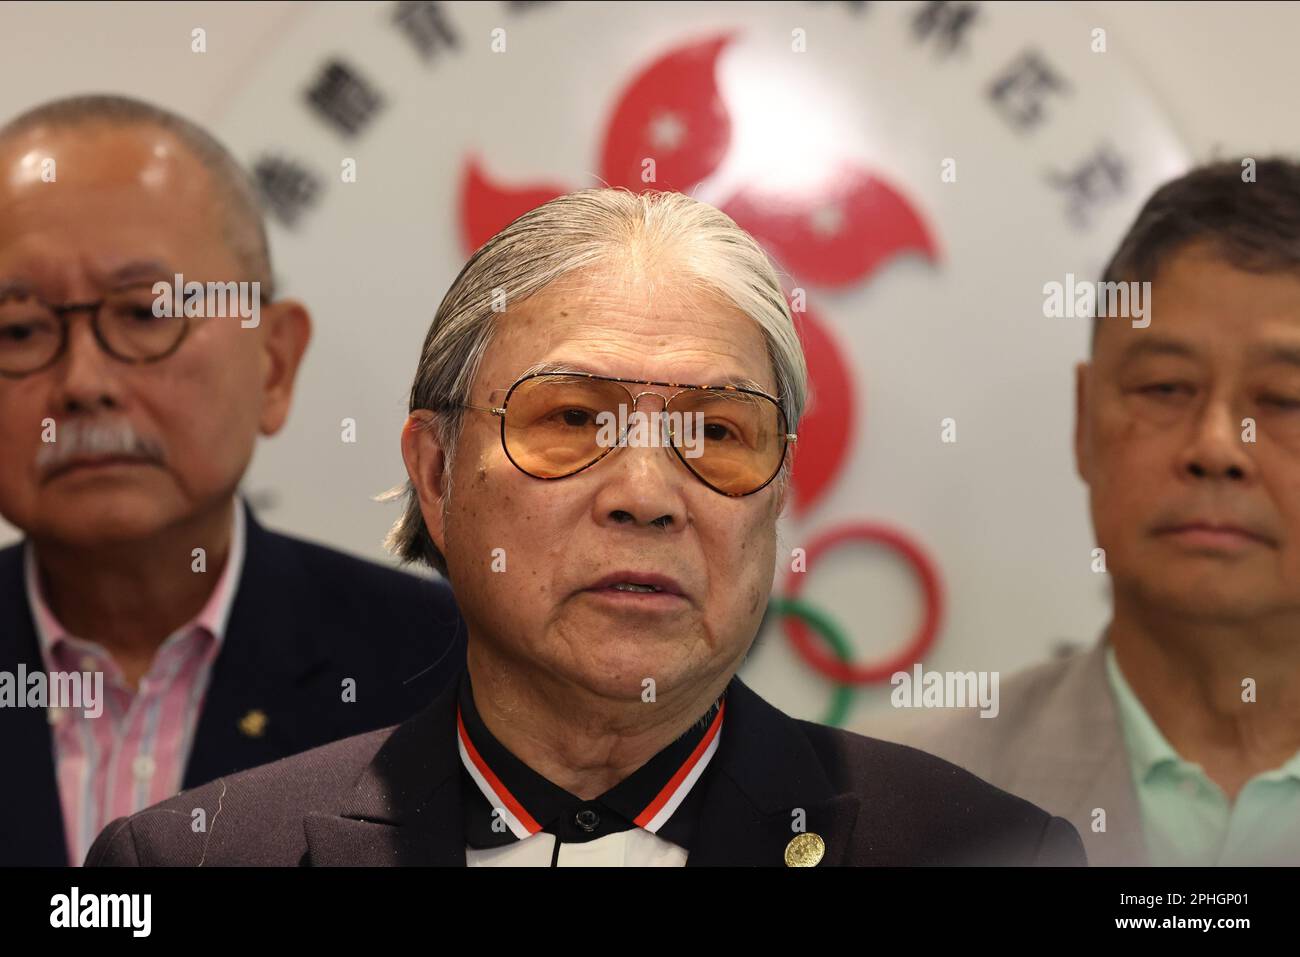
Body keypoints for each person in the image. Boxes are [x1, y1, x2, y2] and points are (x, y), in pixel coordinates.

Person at [86, 188, 1084, 867]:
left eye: (718, 432)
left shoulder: (985, 853)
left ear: (775, 495)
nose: (646, 494)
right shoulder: (199, 857)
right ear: (434, 473)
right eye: (572, 420)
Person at [0, 95, 466, 866]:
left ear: (274, 363)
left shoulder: (446, 669)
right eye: (17, 329)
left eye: (146, 313)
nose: (83, 382)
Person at [864, 158, 1300, 866]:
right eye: (1165, 387)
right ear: (1083, 420)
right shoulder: (900, 805)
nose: (1218, 446)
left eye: (1284, 398)